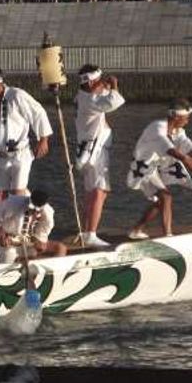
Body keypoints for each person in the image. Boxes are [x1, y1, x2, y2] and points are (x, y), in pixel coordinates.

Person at [127, 98, 192, 240]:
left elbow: (185, 143)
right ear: (176, 117)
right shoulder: (157, 127)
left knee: (159, 203)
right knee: (166, 197)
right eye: (186, 118)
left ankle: (136, 230)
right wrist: (185, 159)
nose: (188, 121)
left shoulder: (178, 130)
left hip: (155, 169)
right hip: (143, 167)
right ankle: (168, 235)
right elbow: (167, 147)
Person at [0, 63, 52, 198]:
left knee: (17, 193)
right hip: (0, 154)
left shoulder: (16, 95)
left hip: (20, 153)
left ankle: (20, 217)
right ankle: (1, 219)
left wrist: (43, 140)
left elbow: (38, 113)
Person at [74, 64, 125, 248]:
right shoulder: (91, 101)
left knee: (90, 192)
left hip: (85, 150)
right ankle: (91, 234)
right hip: (95, 151)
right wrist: (114, 86)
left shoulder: (82, 97)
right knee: (99, 191)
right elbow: (116, 101)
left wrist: (103, 86)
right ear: (93, 81)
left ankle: (85, 230)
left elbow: (101, 95)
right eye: (99, 80)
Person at [0, 190, 66, 264]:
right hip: (10, 241)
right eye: (32, 209)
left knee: (60, 248)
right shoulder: (12, 204)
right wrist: (1, 234)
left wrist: (40, 242)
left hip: (30, 241)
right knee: (7, 263)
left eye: (37, 211)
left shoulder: (48, 214)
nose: (34, 212)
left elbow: (41, 236)